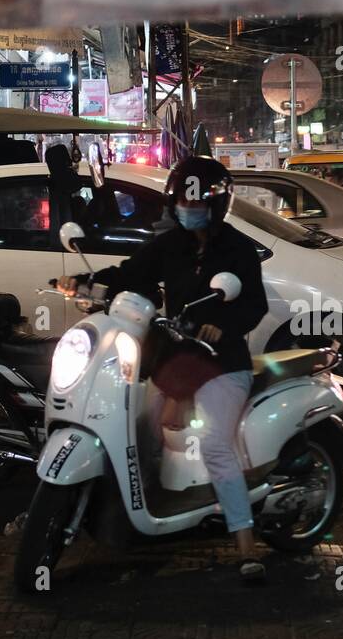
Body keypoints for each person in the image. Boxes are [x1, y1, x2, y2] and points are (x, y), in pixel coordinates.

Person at [57, 155, 271, 582]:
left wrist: (222, 325)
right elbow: (132, 273)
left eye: (196, 204)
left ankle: (246, 543)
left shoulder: (238, 250)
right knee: (140, 429)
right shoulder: (170, 245)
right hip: (177, 358)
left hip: (224, 365)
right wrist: (86, 281)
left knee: (214, 445)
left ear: (217, 206)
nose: (187, 209)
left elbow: (254, 305)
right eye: (181, 202)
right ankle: (142, 514)